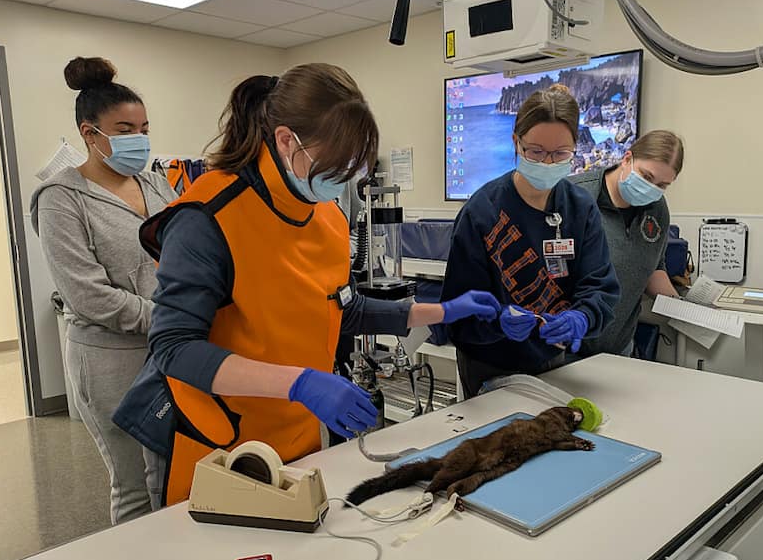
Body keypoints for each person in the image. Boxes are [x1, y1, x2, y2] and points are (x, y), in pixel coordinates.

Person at [114, 63, 500, 507]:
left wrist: (444, 310)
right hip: (216, 437)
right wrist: (301, 383)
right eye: (338, 164)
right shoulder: (208, 217)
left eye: (355, 166)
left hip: (295, 431)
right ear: (285, 141)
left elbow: (342, 308)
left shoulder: (327, 216)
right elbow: (175, 348)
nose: (346, 177)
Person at [30, 57, 177, 524]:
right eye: (125, 128)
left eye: (144, 127)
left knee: (171, 470)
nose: (139, 138)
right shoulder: (61, 198)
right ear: (90, 134)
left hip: (170, 348)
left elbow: (185, 252)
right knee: (134, 482)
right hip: (111, 358)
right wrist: (172, 317)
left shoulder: (155, 184)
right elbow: (87, 295)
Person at [441, 84, 620, 398]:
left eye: (560, 154)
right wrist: (497, 322)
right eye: (536, 152)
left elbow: (600, 287)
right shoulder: (482, 213)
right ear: (516, 142)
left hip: (555, 361)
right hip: (490, 365)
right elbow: (457, 317)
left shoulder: (580, 208)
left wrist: (582, 317)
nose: (548, 163)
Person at [569, 130, 684, 358]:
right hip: (568, 348)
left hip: (619, 348)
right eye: (646, 176)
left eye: (662, 185)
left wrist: (684, 309)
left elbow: (653, 269)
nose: (651, 189)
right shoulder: (576, 197)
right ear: (627, 159)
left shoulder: (657, 209)